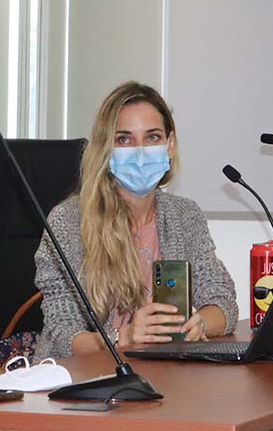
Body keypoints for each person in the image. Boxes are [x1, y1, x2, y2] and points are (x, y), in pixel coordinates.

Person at [33, 82, 237, 360]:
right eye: (125, 139)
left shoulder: (185, 215)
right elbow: (61, 334)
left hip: (167, 376)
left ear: (170, 145)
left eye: (152, 137)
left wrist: (199, 322)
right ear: (106, 149)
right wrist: (123, 337)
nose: (140, 151)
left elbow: (222, 300)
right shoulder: (68, 221)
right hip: (86, 381)